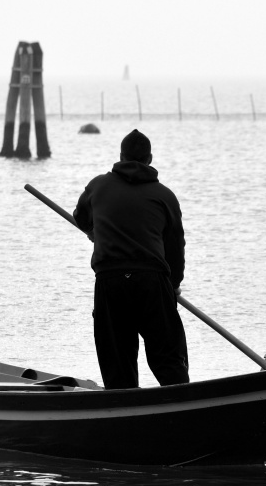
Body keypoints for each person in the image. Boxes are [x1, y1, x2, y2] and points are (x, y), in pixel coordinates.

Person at [73, 129, 189, 390]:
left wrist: (94, 232)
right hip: (152, 282)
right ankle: (182, 402)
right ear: (150, 158)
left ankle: (123, 406)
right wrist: (173, 285)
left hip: (110, 282)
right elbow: (175, 248)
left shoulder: (97, 186)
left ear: (121, 157)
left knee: (117, 361)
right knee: (168, 358)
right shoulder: (165, 196)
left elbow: (80, 218)